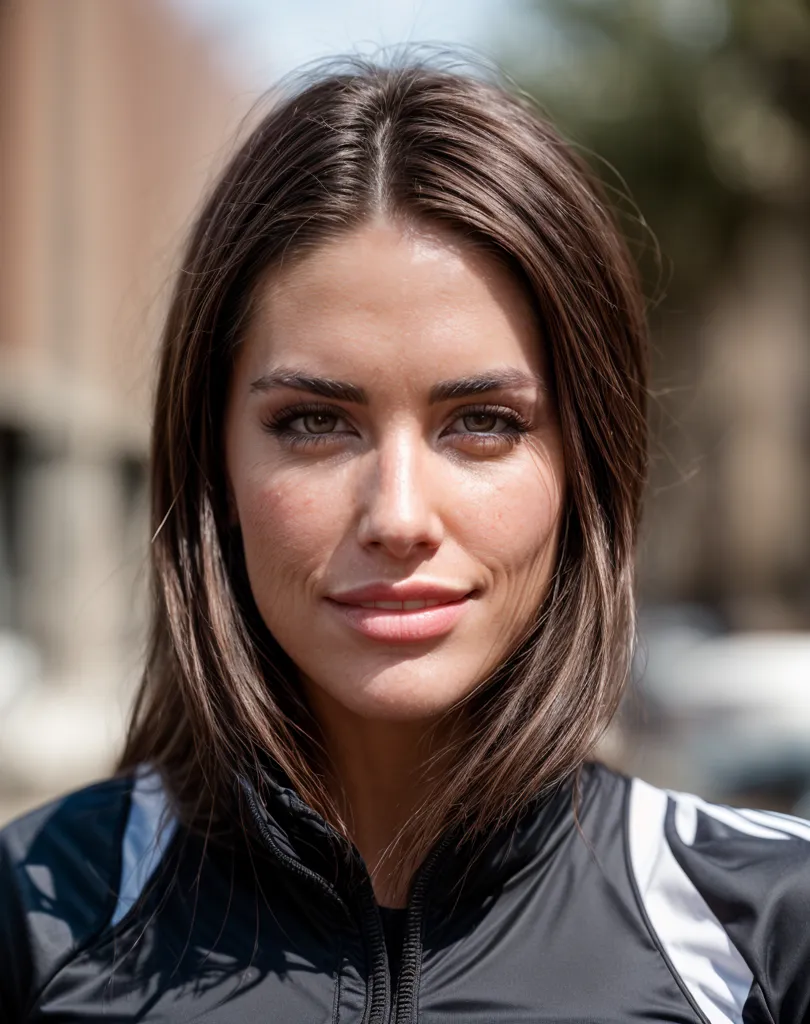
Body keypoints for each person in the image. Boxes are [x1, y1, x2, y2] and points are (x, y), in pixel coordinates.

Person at [1, 58, 808, 1024]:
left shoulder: (767, 929)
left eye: (483, 423)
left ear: (587, 465)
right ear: (210, 461)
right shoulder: (39, 913)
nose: (399, 516)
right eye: (313, 422)